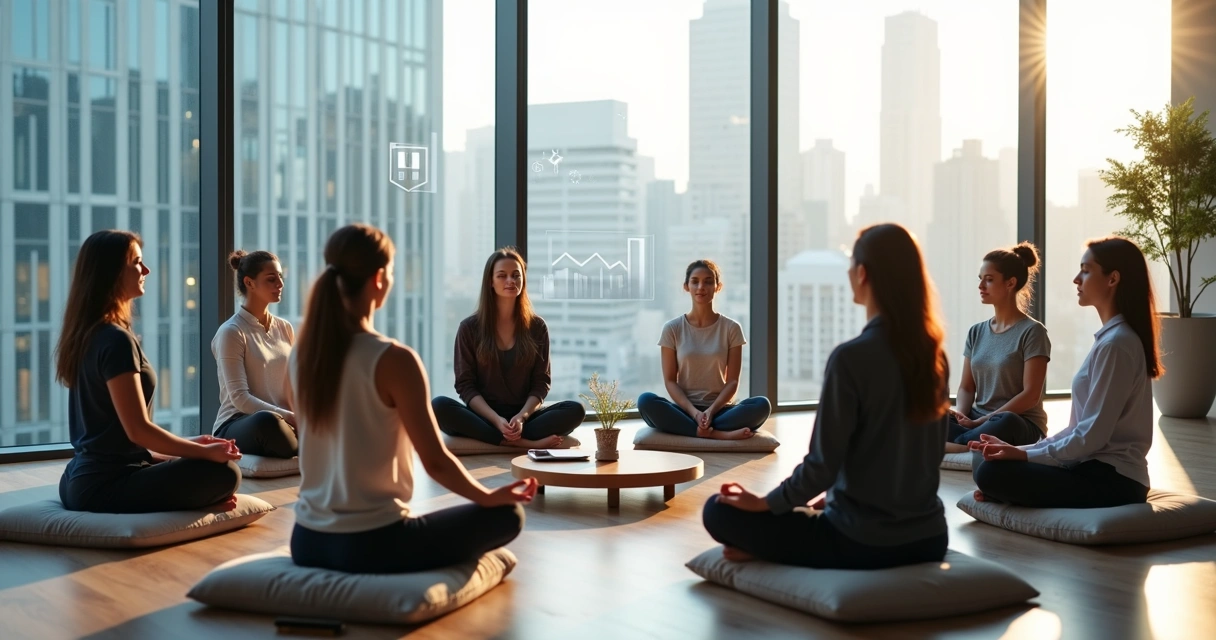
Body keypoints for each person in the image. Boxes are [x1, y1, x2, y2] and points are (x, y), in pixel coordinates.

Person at [288, 224, 537, 574]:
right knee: (508, 515)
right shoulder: (394, 359)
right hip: (372, 542)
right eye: (391, 271)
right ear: (379, 279)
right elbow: (435, 462)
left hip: (306, 540)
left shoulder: (300, 357)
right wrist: (489, 496)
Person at [702, 224, 950, 569]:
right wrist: (836, 497)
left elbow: (822, 466)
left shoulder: (851, 358)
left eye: (851, 264)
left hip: (862, 541)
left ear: (862, 274)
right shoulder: (934, 357)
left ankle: (771, 550)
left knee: (717, 509)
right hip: (929, 539)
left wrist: (766, 503)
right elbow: (927, 455)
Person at [56, 230, 241, 514]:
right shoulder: (115, 340)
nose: (146, 270)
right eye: (136, 262)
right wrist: (203, 452)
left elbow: (121, 440)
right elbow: (138, 431)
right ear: (111, 272)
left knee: (209, 465)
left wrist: (195, 443)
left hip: (78, 480)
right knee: (226, 473)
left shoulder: (91, 334)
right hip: (104, 484)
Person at [972, 237, 1160, 509]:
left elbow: (1090, 438)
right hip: (1091, 467)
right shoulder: (1110, 340)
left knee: (990, 473)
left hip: (1114, 480)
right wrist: (1020, 450)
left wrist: (1023, 457)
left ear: (1112, 279)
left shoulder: (1116, 345)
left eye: (1086, 270)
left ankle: (1008, 491)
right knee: (991, 464)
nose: (1076, 279)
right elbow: (1077, 430)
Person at [431, 248, 585, 448]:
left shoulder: (537, 327)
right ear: (490, 281)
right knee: (439, 406)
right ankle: (522, 443)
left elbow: (541, 383)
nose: (510, 281)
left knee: (576, 410)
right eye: (502, 275)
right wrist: (496, 420)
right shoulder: (469, 328)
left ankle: (501, 439)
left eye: (516, 275)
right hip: (483, 417)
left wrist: (521, 417)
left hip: (524, 418)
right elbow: (465, 385)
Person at [636, 260, 771, 440]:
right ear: (686, 286)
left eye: (708, 281)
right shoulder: (672, 329)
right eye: (695, 281)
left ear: (717, 286)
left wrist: (710, 412)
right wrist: (695, 413)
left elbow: (732, 381)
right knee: (646, 401)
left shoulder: (731, 328)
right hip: (684, 410)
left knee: (762, 405)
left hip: (720, 410)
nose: (701, 287)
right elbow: (670, 381)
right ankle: (717, 434)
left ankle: (695, 430)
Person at [946, 243, 1050, 452]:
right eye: (980, 279)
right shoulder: (976, 332)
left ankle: (951, 444)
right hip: (976, 420)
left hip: (1017, 422)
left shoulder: (1033, 331)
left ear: (1010, 283)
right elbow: (966, 387)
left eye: (989, 279)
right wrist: (962, 416)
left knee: (1006, 421)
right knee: (931, 415)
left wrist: (981, 421)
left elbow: (1031, 395)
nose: (981, 285)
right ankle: (965, 443)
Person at [211, 250, 297, 458]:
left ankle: (311, 443)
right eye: (271, 279)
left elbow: (293, 387)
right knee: (267, 421)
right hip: (240, 423)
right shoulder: (232, 332)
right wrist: (292, 418)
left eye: (280, 277)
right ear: (249, 283)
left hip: (286, 422)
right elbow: (240, 398)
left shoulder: (284, 328)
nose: (280, 284)